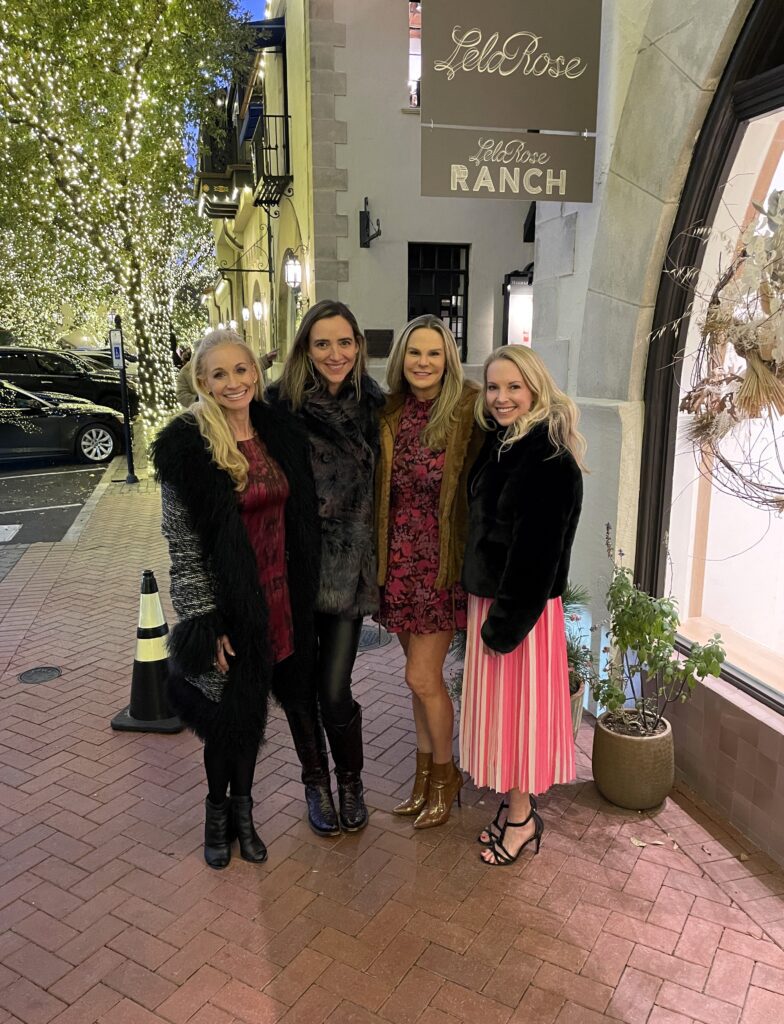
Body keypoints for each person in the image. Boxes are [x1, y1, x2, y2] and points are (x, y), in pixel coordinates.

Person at [151, 328, 320, 869]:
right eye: (218, 374)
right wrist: (206, 620)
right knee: (226, 720)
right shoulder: (187, 448)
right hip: (228, 607)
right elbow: (183, 545)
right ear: (202, 381)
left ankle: (245, 816)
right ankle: (217, 818)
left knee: (249, 715)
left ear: (256, 373)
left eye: (240, 370)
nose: (232, 382)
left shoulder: (277, 433)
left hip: (280, 599)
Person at [460, 345, 585, 866]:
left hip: (520, 616)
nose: (501, 397)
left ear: (535, 387)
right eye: (493, 387)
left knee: (515, 723)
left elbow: (538, 555)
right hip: (495, 605)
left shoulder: (548, 458)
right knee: (504, 721)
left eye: (513, 386)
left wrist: (503, 626)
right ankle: (517, 811)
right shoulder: (505, 443)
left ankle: (521, 820)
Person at [267, 300, 383, 836]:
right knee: (298, 687)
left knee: (334, 687)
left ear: (358, 346)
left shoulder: (377, 407)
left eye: (344, 342)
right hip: (293, 570)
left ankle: (351, 781)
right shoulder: (279, 409)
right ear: (305, 350)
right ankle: (316, 783)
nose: (335, 354)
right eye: (322, 343)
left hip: (348, 573)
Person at [376, 314, 481, 829]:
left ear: (448, 359)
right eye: (414, 353)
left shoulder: (468, 410)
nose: (423, 362)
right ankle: (423, 778)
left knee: (422, 676)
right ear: (402, 359)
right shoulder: (390, 412)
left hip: (440, 566)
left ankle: (446, 775)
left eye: (433, 353)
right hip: (397, 565)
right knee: (418, 683)